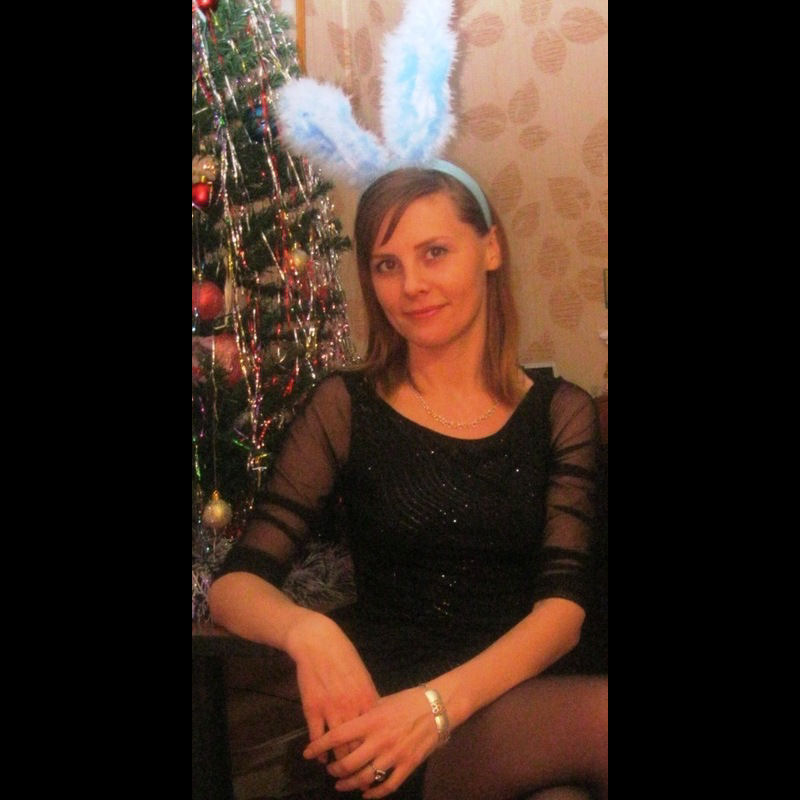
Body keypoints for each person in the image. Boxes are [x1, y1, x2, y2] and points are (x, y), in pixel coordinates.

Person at [208, 163, 608, 800]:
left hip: (515, 708)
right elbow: (234, 586)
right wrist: (309, 631)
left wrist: (438, 707)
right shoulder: (346, 407)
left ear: (491, 249)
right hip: (388, 728)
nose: (412, 285)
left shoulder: (561, 412)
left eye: (434, 252)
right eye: (386, 264)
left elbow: (562, 613)